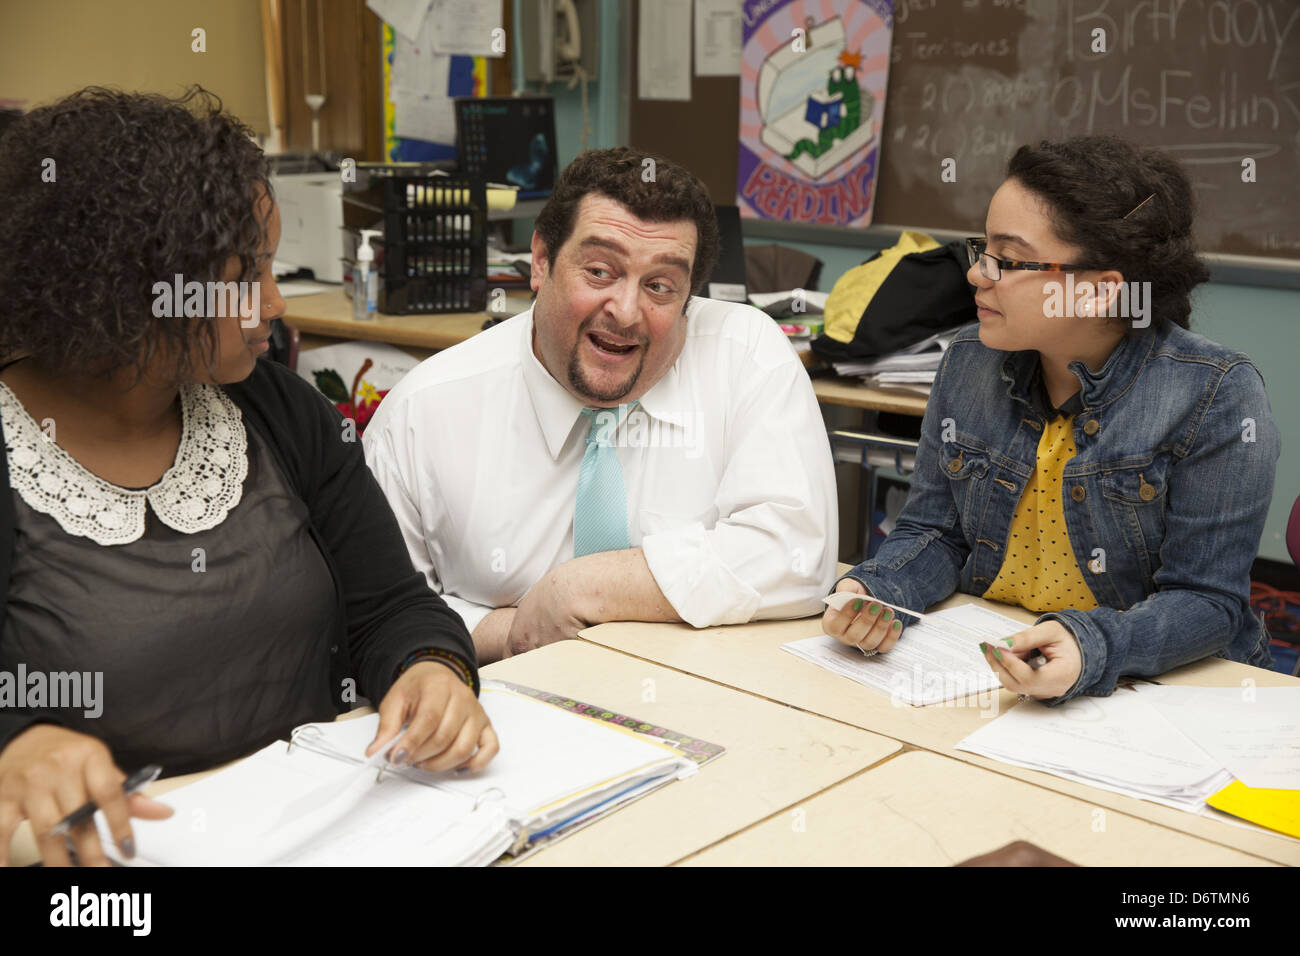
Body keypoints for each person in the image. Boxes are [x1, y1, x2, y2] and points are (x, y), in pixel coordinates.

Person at [0, 87, 497, 868]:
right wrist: (18, 743)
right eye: (244, 275)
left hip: (324, 829)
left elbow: (392, 606)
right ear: (130, 288)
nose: (273, 304)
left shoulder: (275, 408)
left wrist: (431, 669)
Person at [823, 135, 1279, 703]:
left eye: (1008, 260)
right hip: (987, 662)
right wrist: (880, 589)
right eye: (981, 251)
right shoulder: (969, 361)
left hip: (1165, 692)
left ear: (1097, 293)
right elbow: (936, 532)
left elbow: (1206, 602)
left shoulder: (1216, 394)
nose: (976, 275)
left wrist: (1090, 645)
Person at [364, 147, 838, 663]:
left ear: (690, 300)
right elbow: (377, 612)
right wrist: (513, 631)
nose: (627, 311)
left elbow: (798, 556)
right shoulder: (422, 413)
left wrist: (581, 590)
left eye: (660, 286)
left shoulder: (745, 355)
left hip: (702, 698)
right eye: (599, 271)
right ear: (541, 261)